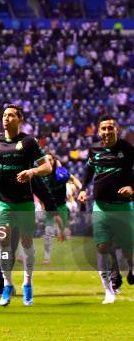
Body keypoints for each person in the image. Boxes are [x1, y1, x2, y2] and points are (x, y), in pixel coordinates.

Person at [0, 105, 52, 307]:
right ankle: (7, 284)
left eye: (11, 115)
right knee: (3, 239)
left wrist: (32, 172)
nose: (7, 118)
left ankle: (27, 283)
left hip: (25, 200)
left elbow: (47, 166)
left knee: (26, 242)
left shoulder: (28, 142)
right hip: (2, 200)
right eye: (5, 115)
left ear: (20, 119)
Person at [78, 115, 133, 304]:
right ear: (99, 131)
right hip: (100, 207)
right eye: (104, 129)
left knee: (128, 249)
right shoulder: (94, 150)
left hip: (123, 207)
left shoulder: (128, 149)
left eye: (111, 128)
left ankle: (131, 267)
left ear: (117, 129)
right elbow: (88, 171)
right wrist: (83, 189)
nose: (107, 132)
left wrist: (132, 188)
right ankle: (108, 290)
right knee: (102, 246)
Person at [39, 153, 81, 264]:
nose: (48, 162)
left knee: (63, 228)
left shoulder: (61, 172)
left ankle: (61, 231)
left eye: (50, 159)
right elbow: (39, 193)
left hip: (61, 206)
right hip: (49, 207)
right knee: (48, 232)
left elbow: (73, 179)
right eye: (46, 160)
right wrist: (43, 206)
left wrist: (82, 189)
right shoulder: (42, 175)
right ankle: (47, 257)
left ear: (54, 160)